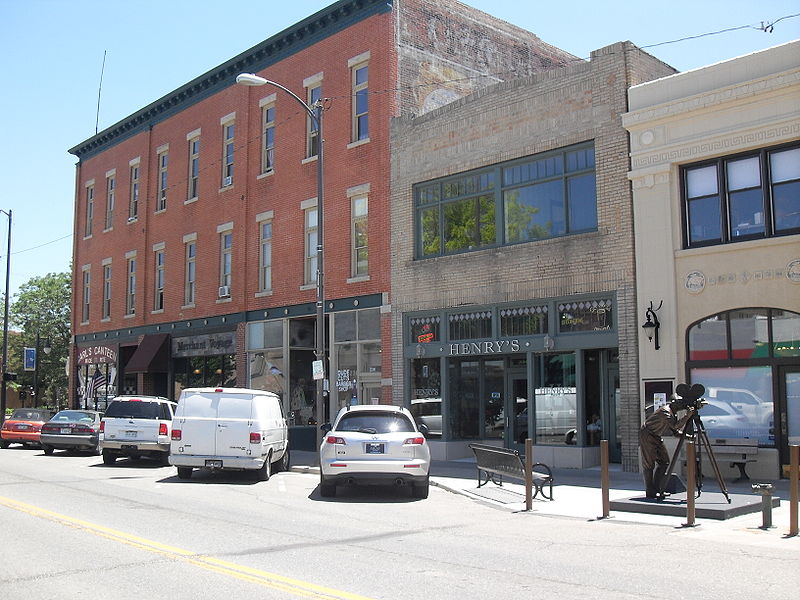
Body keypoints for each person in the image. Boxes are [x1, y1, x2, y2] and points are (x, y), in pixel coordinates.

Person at [639, 396, 695, 499]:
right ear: (673, 403)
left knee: (664, 462)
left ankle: (657, 488)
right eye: (680, 403)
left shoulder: (672, 413)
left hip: (656, 436)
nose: (681, 406)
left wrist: (688, 437)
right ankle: (650, 491)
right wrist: (687, 416)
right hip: (647, 435)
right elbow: (675, 426)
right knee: (649, 464)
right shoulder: (666, 412)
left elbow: (675, 432)